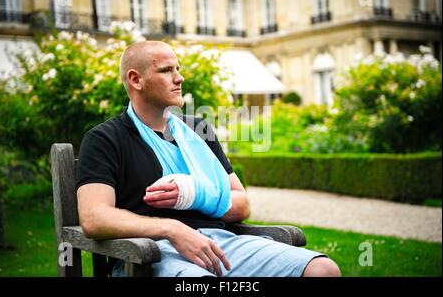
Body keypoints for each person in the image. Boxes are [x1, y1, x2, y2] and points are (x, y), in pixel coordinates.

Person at [75, 41, 341, 277]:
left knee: (323, 270)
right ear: (136, 79)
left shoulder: (197, 131)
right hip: (148, 255)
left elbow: (241, 203)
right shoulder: (105, 139)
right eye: (167, 70)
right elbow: (94, 217)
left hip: (221, 244)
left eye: (178, 69)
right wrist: (172, 230)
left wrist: (194, 193)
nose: (179, 78)